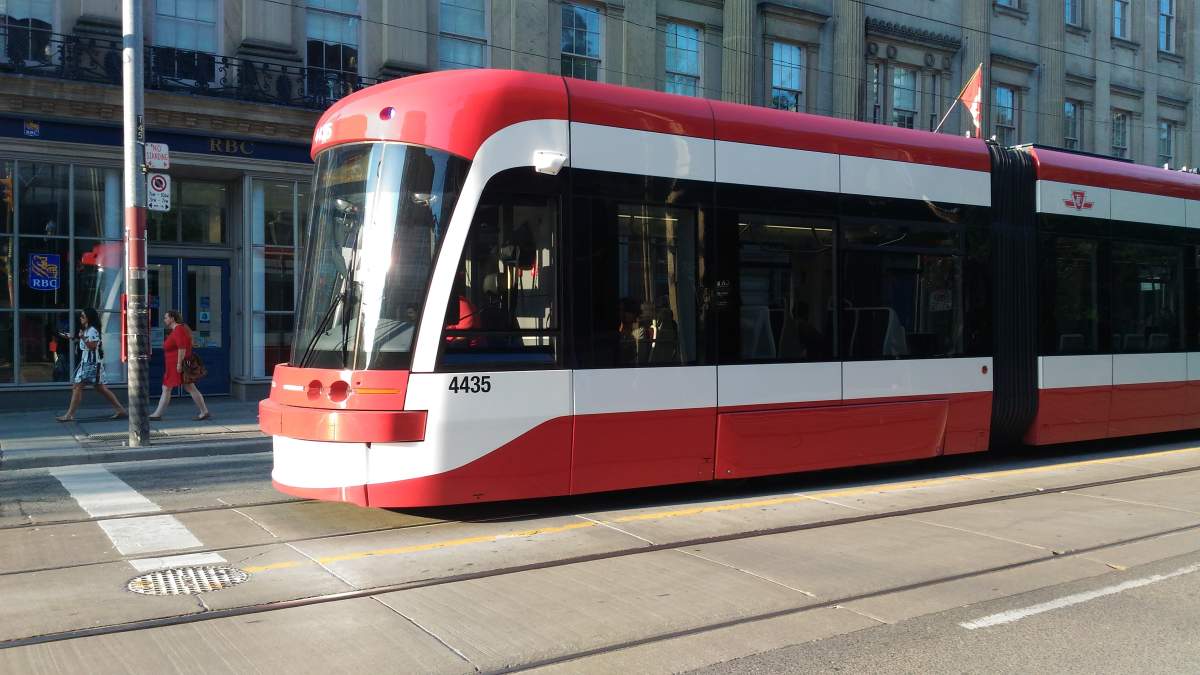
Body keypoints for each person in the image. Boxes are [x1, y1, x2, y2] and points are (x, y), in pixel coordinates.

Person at [56, 308, 126, 421]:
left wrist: (82, 337)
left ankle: (69, 415)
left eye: (83, 316)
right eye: (81, 316)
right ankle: (120, 409)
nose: (80, 318)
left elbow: (92, 346)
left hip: (91, 363)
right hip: (88, 363)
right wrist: (74, 337)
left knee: (78, 386)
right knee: (99, 388)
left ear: (89, 317)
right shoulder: (88, 329)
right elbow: (86, 343)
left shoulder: (92, 330)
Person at [149, 310, 211, 421]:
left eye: (166, 317)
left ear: (172, 318)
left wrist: (179, 364)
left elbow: (182, 348)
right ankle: (204, 411)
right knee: (188, 387)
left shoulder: (178, 330)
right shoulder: (179, 330)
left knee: (168, 387)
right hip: (174, 365)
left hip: (177, 365)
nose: (164, 320)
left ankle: (157, 414)